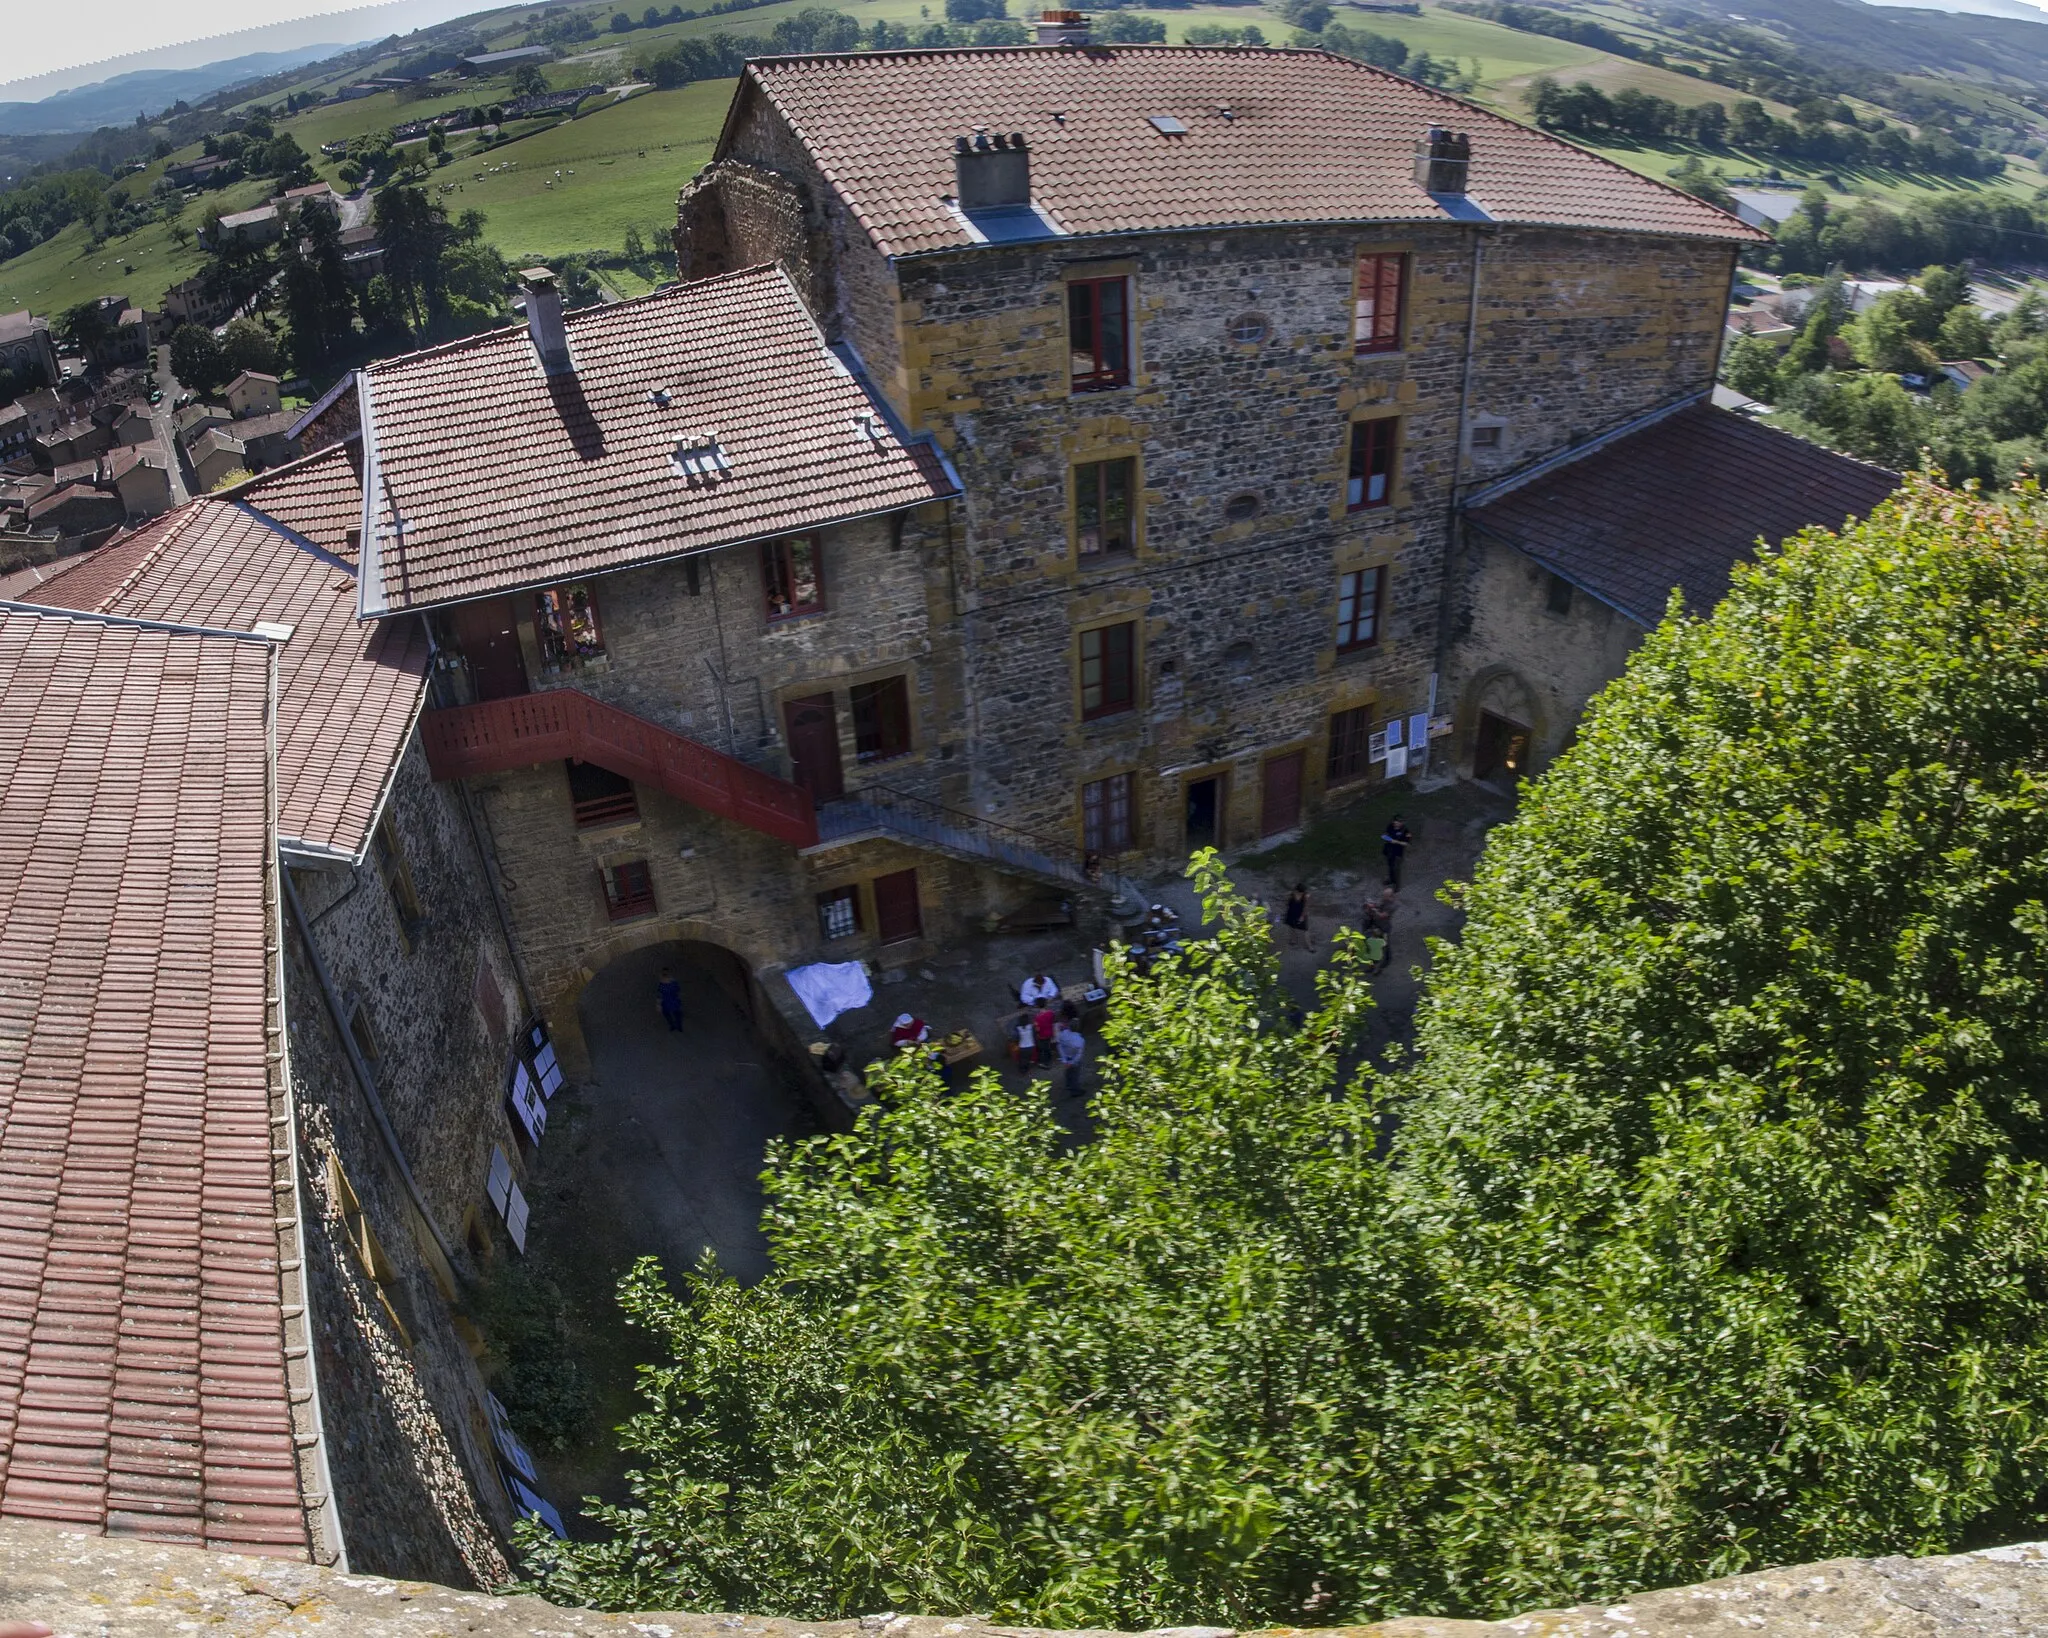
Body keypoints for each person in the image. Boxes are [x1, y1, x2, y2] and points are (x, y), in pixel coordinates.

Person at [1055, 1018, 1087, 1096]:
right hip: (1074, 1059)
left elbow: (1059, 1046)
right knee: (1075, 1074)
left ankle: (1068, 1085)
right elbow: (1079, 1054)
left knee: (1068, 1072)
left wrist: (1064, 1060)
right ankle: (1075, 1090)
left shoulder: (1062, 1035)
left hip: (1066, 1057)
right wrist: (1072, 1062)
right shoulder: (1080, 1040)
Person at [1381, 814, 1412, 888]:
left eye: (1399, 822)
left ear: (1402, 823)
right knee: (1390, 866)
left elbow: (1407, 843)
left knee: (1396, 869)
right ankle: (1390, 880)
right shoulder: (1390, 826)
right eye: (1396, 821)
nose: (1397, 823)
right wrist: (1389, 839)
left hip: (1397, 852)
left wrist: (1397, 842)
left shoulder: (1405, 831)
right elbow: (1384, 835)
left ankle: (1396, 885)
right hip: (1389, 850)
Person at [1283, 883, 1311, 949]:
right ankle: (1294, 940)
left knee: (1306, 930)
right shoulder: (1292, 894)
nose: (1301, 894)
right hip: (1292, 913)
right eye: (1300, 892)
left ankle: (1310, 946)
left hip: (1301, 914)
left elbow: (1306, 907)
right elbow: (1287, 903)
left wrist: (1302, 916)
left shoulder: (1305, 896)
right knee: (1291, 926)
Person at [1032, 1000, 1059, 1067]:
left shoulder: (1037, 1018)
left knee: (1044, 1049)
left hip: (1042, 1036)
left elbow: (1037, 1029)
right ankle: (1049, 1057)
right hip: (1050, 1033)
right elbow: (1053, 1020)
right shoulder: (1051, 1013)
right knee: (1048, 1046)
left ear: (1037, 1006)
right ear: (1045, 1004)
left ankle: (1046, 1063)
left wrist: (1037, 1032)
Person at [656, 967, 683, 1033]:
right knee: (676, 1013)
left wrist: (658, 1004)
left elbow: (660, 994)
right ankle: (678, 1026)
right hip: (673, 1000)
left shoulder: (662, 983)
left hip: (667, 1001)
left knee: (668, 1013)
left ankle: (673, 1025)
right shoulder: (673, 982)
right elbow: (678, 991)